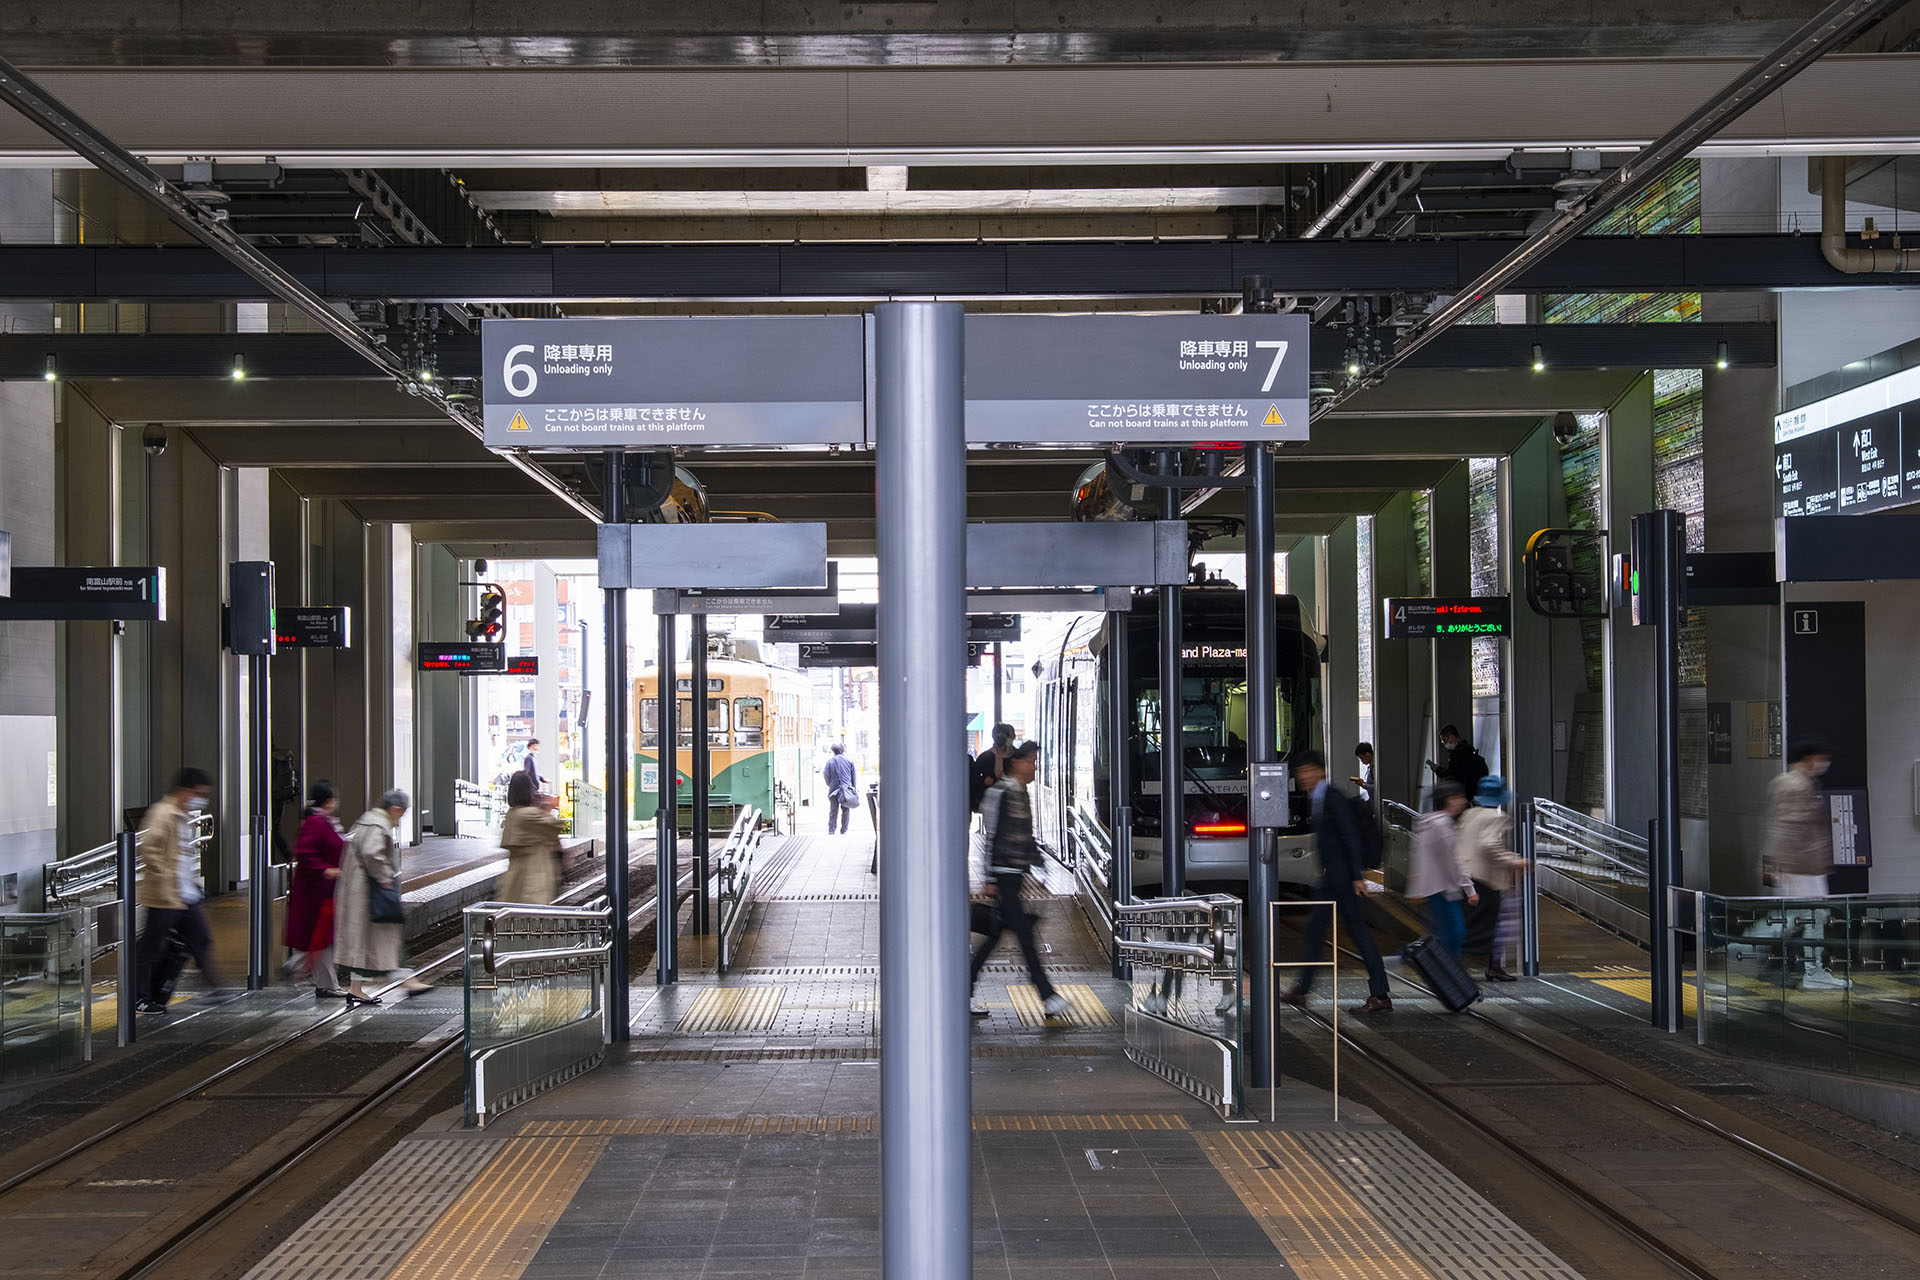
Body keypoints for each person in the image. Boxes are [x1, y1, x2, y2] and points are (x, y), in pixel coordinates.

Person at [1278, 750, 1393, 1015]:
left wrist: (1356, 877)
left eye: (1307, 771)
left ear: (1320, 771)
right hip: (1331, 879)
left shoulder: (1333, 797)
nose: (1303, 776)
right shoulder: (1317, 797)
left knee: (1358, 934)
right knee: (1315, 931)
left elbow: (1350, 837)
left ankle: (1380, 993)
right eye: (1300, 772)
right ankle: (1302, 990)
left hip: (1343, 881)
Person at [968, 740, 1069, 1020]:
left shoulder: (1021, 793)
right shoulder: (1001, 792)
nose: (1035, 766)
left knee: (994, 936)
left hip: (1014, 875)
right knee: (1025, 937)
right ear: (1017, 762)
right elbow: (992, 836)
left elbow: (1026, 837)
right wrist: (990, 877)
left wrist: (1040, 867)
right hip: (1003, 877)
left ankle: (964, 988)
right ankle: (1047, 995)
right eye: (1032, 761)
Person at [1762, 740, 1847, 989]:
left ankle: (1814, 971)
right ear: (1811, 758)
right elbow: (1788, 828)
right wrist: (1782, 866)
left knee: (1807, 918)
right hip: (1800, 869)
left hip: (1806, 867)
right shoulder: (1795, 785)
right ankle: (1736, 950)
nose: (1824, 764)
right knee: (1795, 919)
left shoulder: (1802, 783)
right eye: (1822, 758)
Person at [134, 767, 221, 1011]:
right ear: (184, 791)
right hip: (164, 896)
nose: (200, 799)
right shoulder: (163, 813)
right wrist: (165, 876)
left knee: (200, 937)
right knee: (152, 946)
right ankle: (139, 997)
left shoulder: (180, 814)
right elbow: (149, 848)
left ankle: (215, 987)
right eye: (198, 793)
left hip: (184, 896)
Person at [336, 788, 431, 1005]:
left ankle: (356, 988)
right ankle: (407, 980)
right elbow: (372, 854)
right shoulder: (377, 825)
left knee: (367, 942)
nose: (400, 820)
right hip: (370, 894)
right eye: (402, 813)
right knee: (388, 936)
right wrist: (385, 876)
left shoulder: (368, 821)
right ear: (395, 809)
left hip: (364, 894)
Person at [285, 781, 348, 999]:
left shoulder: (324, 821)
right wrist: (326, 870)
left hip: (325, 893)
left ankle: (324, 983)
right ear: (329, 801)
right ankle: (310, 976)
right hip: (317, 895)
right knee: (323, 940)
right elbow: (306, 852)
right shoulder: (316, 822)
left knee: (324, 941)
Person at [1459, 776, 1523, 982]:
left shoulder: (1469, 814)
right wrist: (1512, 861)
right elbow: (1489, 845)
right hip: (1485, 879)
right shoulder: (1496, 817)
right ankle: (1493, 967)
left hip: (1465, 877)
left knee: (1470, 923)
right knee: (1490, 925)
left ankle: (1491, 966)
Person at [1407, 781, 1476, 959]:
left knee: (1445, 934)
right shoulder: (1442, 825)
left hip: (1435, 888)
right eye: (1458, 797)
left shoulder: (1430, 822)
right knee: (1453, 934)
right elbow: (1453, 860)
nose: (1462, 801)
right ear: (1449, 800)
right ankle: (1450, 975)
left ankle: (1448, 974)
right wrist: (1469, 889)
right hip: (1444, 888)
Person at [499, 771, 566, 904]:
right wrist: (549, 806)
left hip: (514, 879)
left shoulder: (512, 814)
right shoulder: (529, 815)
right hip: (534, 880)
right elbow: (554, 826)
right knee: (533, 919)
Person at [971, 722, 1017, 814]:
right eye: (997, 735)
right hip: (990, 802)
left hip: (1012, 800)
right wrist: (984, 781)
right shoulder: (986, 757)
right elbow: (974, 777)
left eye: (1003, 735)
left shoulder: (1015, 756)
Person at [1430, 725, 1489, 794]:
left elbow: (1454, 773)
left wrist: (1438, 770)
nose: (1445, 743)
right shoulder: (1466, 750)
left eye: (1445, 740)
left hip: (1468, 792)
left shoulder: (1460, 754)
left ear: (1453, 737)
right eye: (1443, 741)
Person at [823, 743, 859, 835]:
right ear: (842, 750)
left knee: (833, 810)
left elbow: (826, 775)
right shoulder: (849, 761)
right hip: (846, 789)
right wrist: (853, 789)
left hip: (834, 790)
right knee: (846, 810)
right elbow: (853, 777)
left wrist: (830, 784)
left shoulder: (830, 762)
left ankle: (831, 830)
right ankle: (844, 830)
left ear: (833, 751)